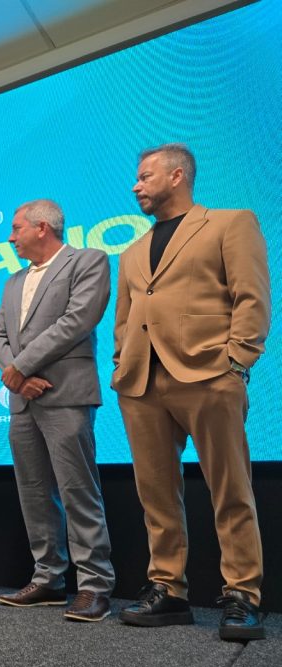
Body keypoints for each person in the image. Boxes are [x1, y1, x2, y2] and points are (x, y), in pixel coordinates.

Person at [113, 143, 270, 641]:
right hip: (141, 382)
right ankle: (169, 589)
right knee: (156, 494)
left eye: (145, 176)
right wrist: (120, 364)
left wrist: (236, 361)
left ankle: (242, 594)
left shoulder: (230, 223)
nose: (136, 185)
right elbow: (124, 318)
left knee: (231, 489)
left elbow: (252, 296)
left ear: (177, 175)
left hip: (209, 375)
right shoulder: (132, 251)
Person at [0, 200, 114, 621]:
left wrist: (21, 366)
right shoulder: (12, 281)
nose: (11, 237)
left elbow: (78, 320)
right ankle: (48, 578)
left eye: (16, 228)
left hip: (66, 393)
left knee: (78, 490)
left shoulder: (87, 260)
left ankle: (95, 585)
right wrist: (18, 378)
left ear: (42, 227)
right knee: (34, 492)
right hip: (23, 398)